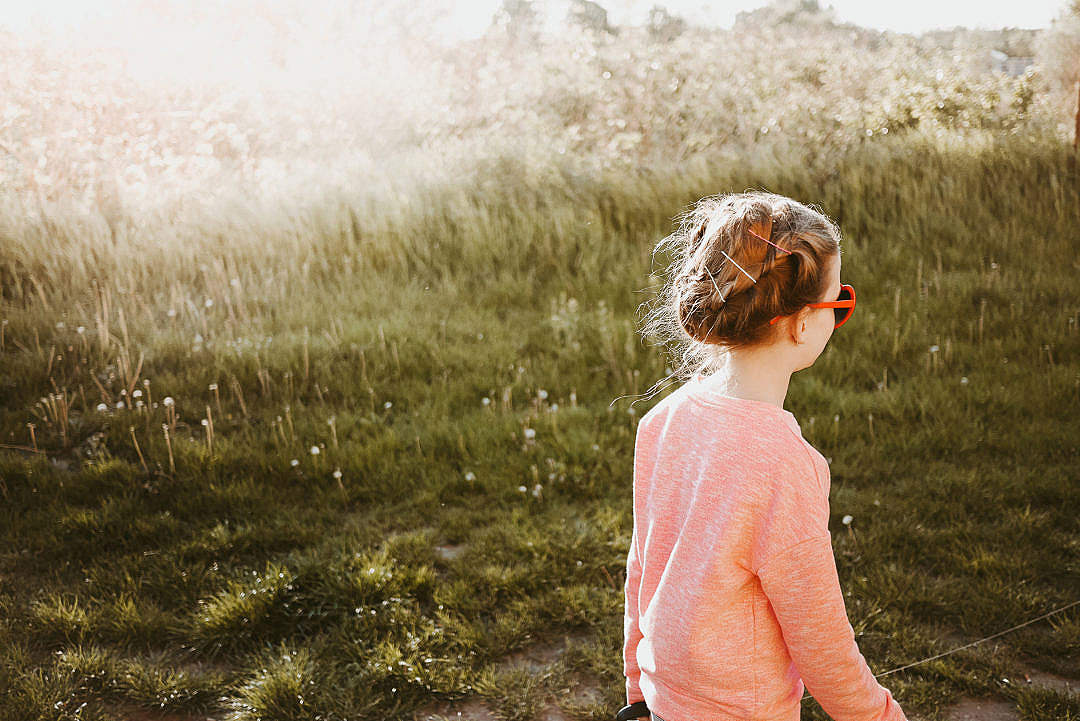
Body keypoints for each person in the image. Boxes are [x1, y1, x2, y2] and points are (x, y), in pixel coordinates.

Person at [621, 191, 908, 721]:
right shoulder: (783, 463)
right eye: (838, 303)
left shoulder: (662, 420)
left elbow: (643, 568)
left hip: (664, 704)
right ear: (802, 323)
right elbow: (820, 639)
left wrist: (637, 686)